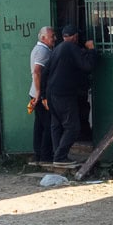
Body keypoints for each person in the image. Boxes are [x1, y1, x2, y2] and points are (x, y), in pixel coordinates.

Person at [43, 24, 95, 167]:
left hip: (51, 92)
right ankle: (60, 157)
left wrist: (43, 96)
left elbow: (45, 72)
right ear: (75, 37)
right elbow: (87, 66)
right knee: (73, 127)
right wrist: (91, 50)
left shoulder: (57, 49)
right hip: (63, 94)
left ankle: (56, 155)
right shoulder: (71, 48)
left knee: (56, 125)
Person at [29, 26, 55, 165]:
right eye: (52, 37)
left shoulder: (39, 49)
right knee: (48, 124)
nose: (54, 39)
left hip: (35, 92)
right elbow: (37, 72)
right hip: (39, 94)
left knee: (39, 125)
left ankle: (38, 154)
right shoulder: (43, 51)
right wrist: (40, 93)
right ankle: (45, 156)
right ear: (44, 38)